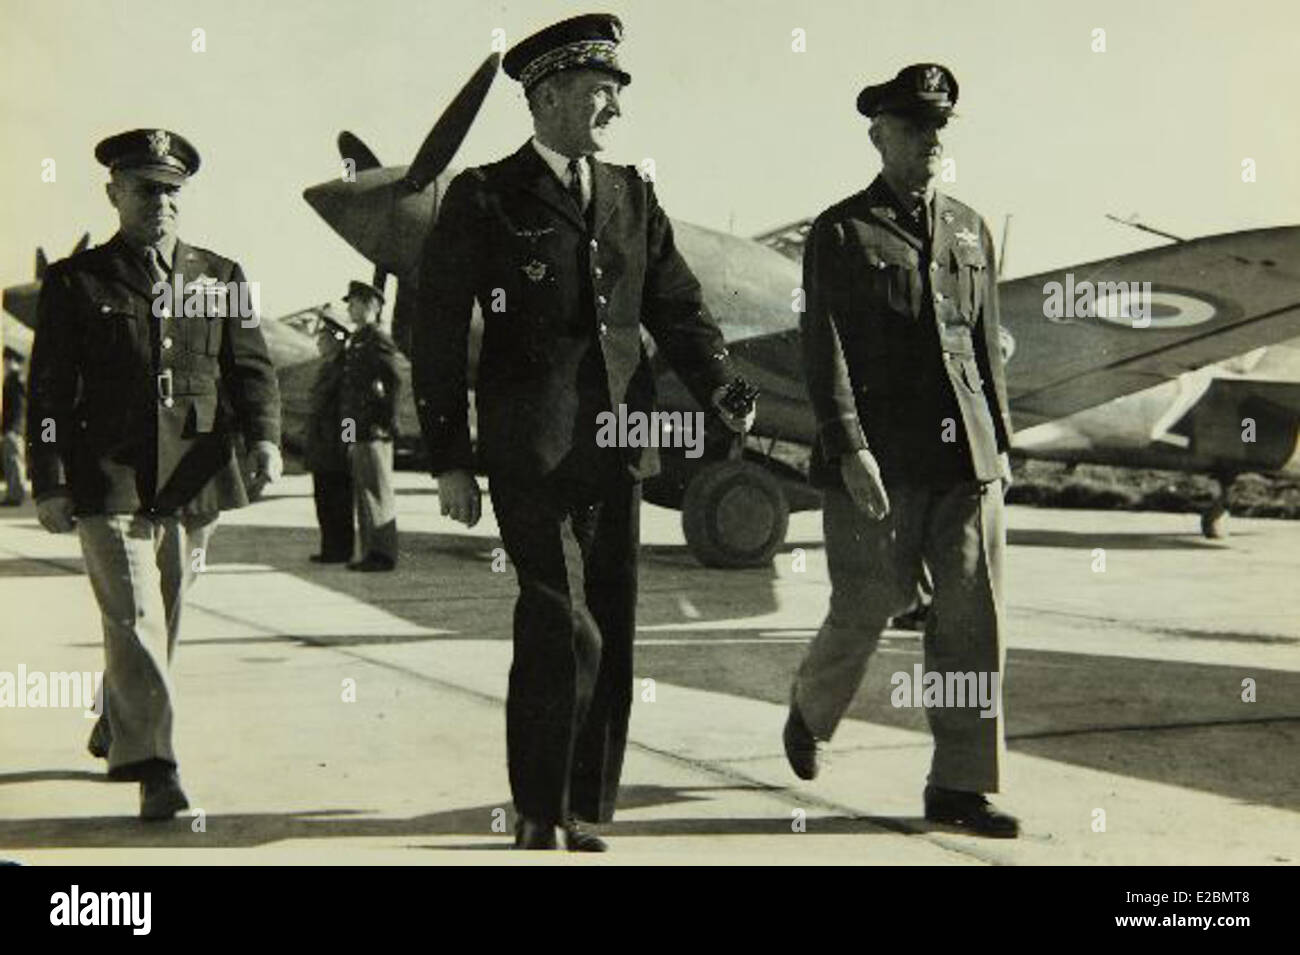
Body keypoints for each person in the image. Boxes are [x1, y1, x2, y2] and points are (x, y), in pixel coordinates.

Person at [413, 13, 753, 851]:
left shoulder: (634, 195)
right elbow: (436, 329)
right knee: (558, 619)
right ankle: (536, 805)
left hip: (618, 445)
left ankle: (582, 802)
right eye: (603, 91)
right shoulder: (485, 196)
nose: (614, 108)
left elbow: (677, 306)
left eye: (616, 92)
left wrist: (720, 384)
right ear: (550, 95)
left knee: (612, 621)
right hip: (529, 452)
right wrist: (449, 459)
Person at [785, 65, 1019, 837]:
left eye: (939, 129)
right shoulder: (843, 231)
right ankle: (811, 713)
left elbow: (984, 349)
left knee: (969, 620)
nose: (931, 141)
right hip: (879, 462)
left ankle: (959, 783)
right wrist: (848, 449)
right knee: (866, 605)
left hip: (966, 462)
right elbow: (827, 351)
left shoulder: (969, 230)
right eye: (915, 128)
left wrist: (1002, 449)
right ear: (879, 134)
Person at [25, 128, 282, 820]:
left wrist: (265, 440)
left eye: (171, 191)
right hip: (106, 475)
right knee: (134, 614)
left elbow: (249, 369)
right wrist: (46, 479)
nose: (160, 203)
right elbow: (47, 393)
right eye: (145, 189)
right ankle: (154, 766)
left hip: (194, 478)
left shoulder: (220, 276)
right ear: (114, 192)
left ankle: (118, 717)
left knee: (167, 616)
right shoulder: (76, 282)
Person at [339, 280, 400, 572]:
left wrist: (385, 423)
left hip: (374, 427)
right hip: (359, 427)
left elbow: (393, 381)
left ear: (370, 306)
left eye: (353, 302)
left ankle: (383, 554)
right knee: (364, 490)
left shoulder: (377, 338)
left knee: (377, 490)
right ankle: (369, 552)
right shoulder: (358, 338)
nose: (349, 308)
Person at [305, 312, 354, 563]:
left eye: (322, 338)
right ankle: (330, 549)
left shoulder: (344, 370)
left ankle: (340, 550)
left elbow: (348, 412)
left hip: (336, 448)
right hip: (323, 447)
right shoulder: (328, 368)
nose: (318, 343)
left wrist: (348, 443)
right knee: (324, 501)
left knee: (338, 503)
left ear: (336, 339)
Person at [2, 346, 26, 505]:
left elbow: (18, 407)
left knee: (14, 462)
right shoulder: (12, 379)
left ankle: (15, 495)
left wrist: (12, 429)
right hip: (12, 428)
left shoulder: (15, 380)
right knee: (11, 462)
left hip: (13, 429)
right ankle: (13, 494)